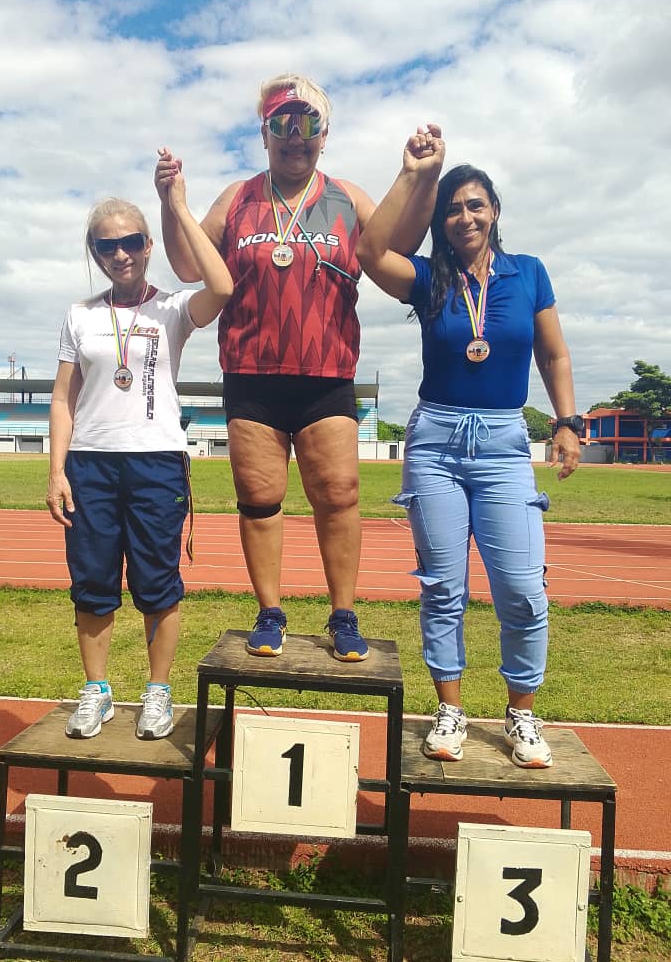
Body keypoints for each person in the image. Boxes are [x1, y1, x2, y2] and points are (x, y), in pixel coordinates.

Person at [357, 127, 581, 767]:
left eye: (475, 205)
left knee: (520, 589)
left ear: (495, 212)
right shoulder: (428, 278)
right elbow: (372, 251)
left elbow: (554, 352)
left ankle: (521, 717)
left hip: (506, 442)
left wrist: (568, 420)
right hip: (435, 441)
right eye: (452, 209)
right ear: (440, 220)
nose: (464, 217)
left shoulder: (529, 274)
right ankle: (450, 712)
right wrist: (415, 175)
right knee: (444, 589)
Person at [155, 73, 375, 662]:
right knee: (259, 497)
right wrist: (170, 204)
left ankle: (344, 613)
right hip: (252, 372)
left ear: (323, 136)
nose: (294, 136)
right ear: (264, 133)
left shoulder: (348, 198)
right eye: (282, 124)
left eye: (307, 125)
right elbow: (184, 265)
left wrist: (420, 178)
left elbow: (391, 251)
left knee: (339, 494)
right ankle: (270, 610)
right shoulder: (236, 198)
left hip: (326, 371)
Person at [46, 178, 233, 739]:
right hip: (91, 463)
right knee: (93, 582)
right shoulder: (79, 315)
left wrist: (175, 205)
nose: (120, 254)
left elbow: (221, 285)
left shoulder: (173, 307)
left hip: (156, 462)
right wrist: (56, 470)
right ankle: (97, 690)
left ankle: (157, 692)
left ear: (149, 244)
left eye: (131, 241)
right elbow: (62, 398)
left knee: (157, 582)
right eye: (106, 246)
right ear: (95, 253)